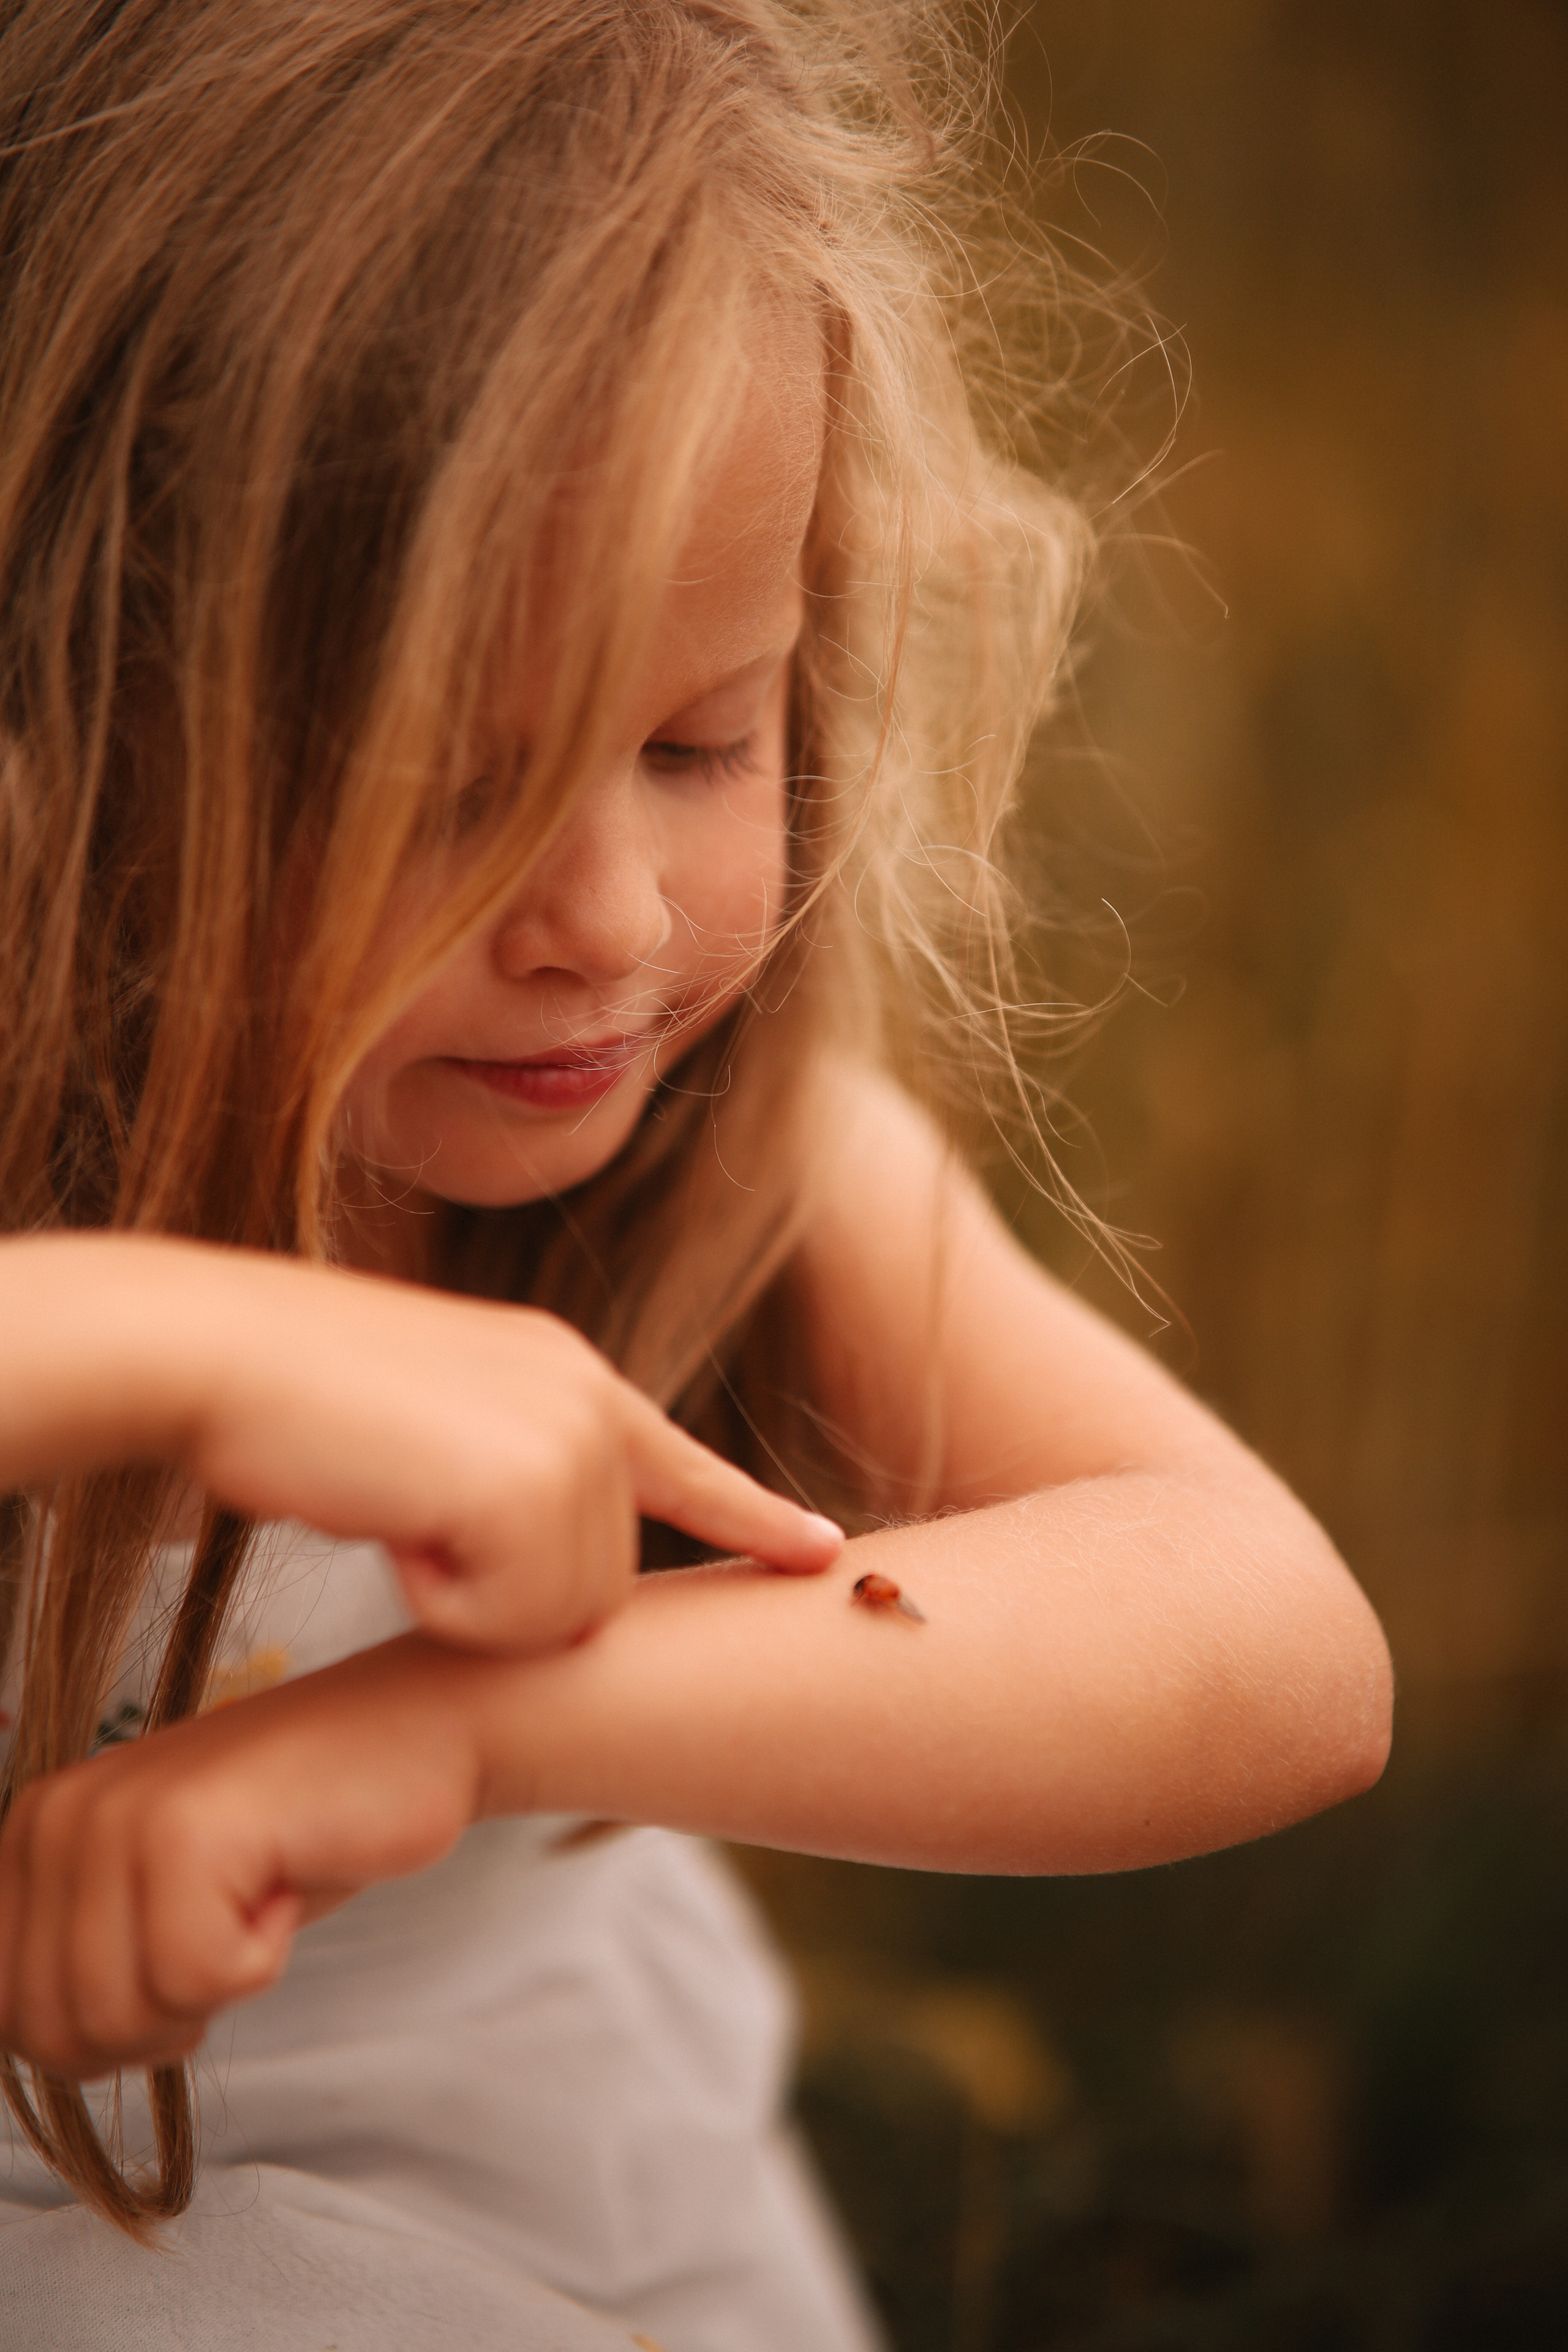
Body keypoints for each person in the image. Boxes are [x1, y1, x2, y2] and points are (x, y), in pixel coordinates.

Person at [0, 3, 1393, 2346]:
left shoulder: (741, 1170)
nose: (614, 927)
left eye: (694, 740)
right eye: (456, 781)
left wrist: (449, 1723)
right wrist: (206, 1332)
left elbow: (1278, 1646)